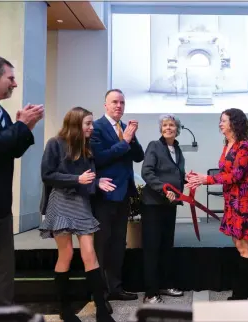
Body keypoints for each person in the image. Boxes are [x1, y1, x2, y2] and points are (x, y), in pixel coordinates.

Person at [0, 54, 44, 308]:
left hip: (0, 208)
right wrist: (21, 126)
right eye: (10, 78)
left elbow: (10, 150)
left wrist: (26, 128)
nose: (14, 84)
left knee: (0, 277)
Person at [39, 107, 117, 322]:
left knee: (89, 253)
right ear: (75, 124)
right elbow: (47, 175)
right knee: (66, 254)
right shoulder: (55, 143)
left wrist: (97, 181)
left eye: (91, 123)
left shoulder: (87, 147)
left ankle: (101, 309)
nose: (92, 128)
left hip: (81, 201)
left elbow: (88, 176)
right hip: (61, 201)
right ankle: (65, 310)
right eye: (88, 124)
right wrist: (76, 180)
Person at [187, 108, 248, 300]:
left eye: (224, 120)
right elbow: (226, 174)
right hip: (231, 200)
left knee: (244, 246)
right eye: (220, 120)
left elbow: (236, 175)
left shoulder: (244, 146)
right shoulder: (227, 144)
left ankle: (244, 293)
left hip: (242, 201)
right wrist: (197, 178)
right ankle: (246, 291)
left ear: (235, 123)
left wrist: (206, 179)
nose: (220, 124)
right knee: (238, 243)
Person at [90, 89, 144, 302]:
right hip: (104, 195)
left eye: (122, 102)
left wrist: (131, 138)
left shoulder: (125, 127)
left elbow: (138, 156)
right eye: (114, 102)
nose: (119, 106)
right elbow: (99, 159)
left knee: (119, 243)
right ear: (105, 105)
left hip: (123, 195)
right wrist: (124, 142)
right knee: (102, 244)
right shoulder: (96, 127)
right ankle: (100, 293)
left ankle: (116, 288)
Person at [141, 114, 186, 304]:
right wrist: (163, 189)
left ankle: (166, 284)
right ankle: (150, 292)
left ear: (177, 129)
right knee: (152, 248)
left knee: (167, 246)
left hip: (170, 205)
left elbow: (177, 174)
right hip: (153, 204)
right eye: (165, 125)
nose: (169, 128)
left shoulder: (177, 149)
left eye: (172, 125)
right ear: (161, 129)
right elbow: (147, 172)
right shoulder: (154, 146)